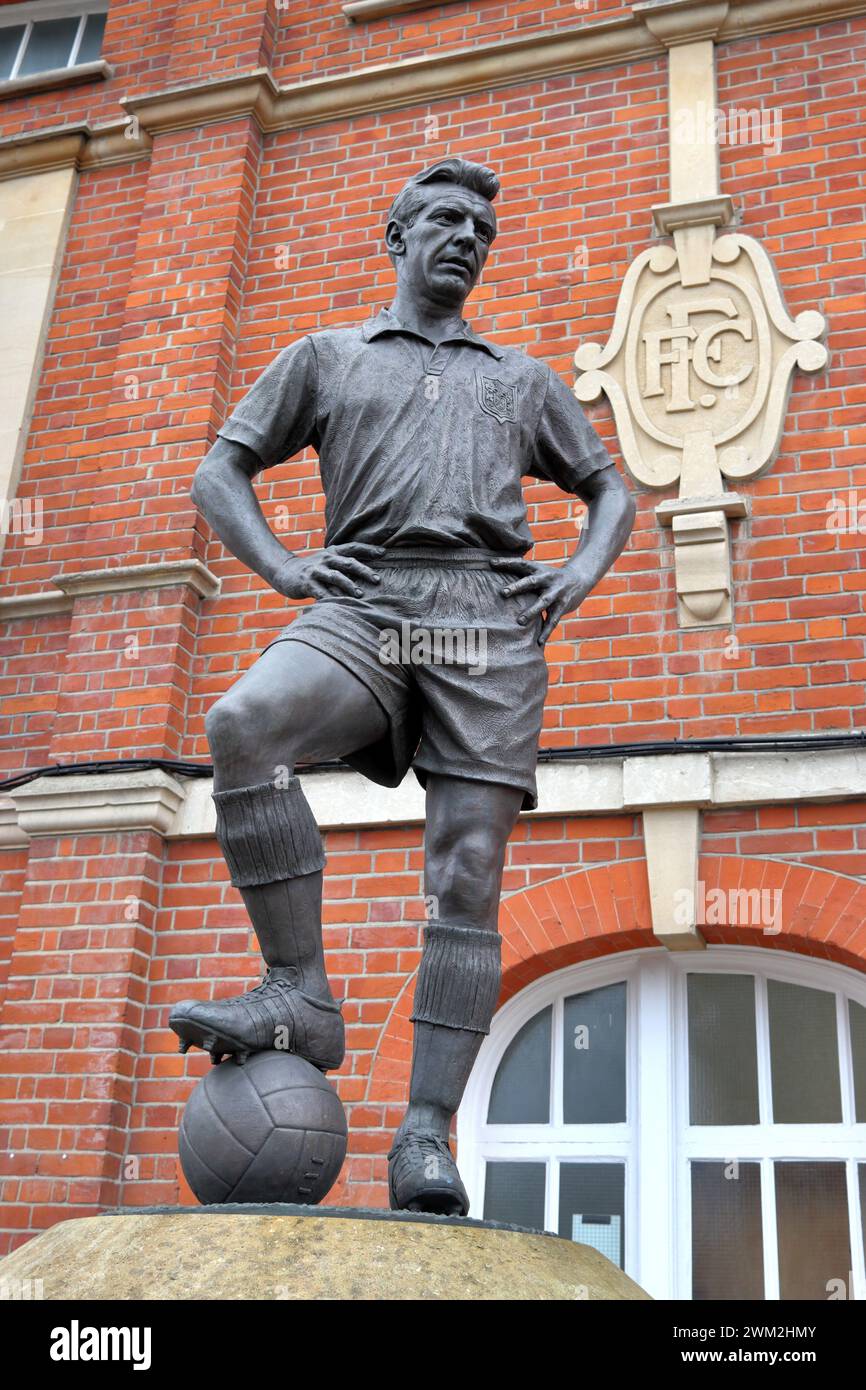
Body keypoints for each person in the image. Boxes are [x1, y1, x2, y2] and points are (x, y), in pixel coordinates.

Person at [169, 157, 635, 1215]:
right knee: (245, 722)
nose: (464, 235)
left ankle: (424, 1131)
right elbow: (217, 471)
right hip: (365, 603)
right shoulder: (329, 356)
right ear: (396, 235)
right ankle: (302, 989)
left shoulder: (521, 379)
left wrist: (570, 574)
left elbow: (609, 489)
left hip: (485, 623)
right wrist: (287, 568)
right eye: (441, 218)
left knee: (463, 871)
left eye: (480, 224)